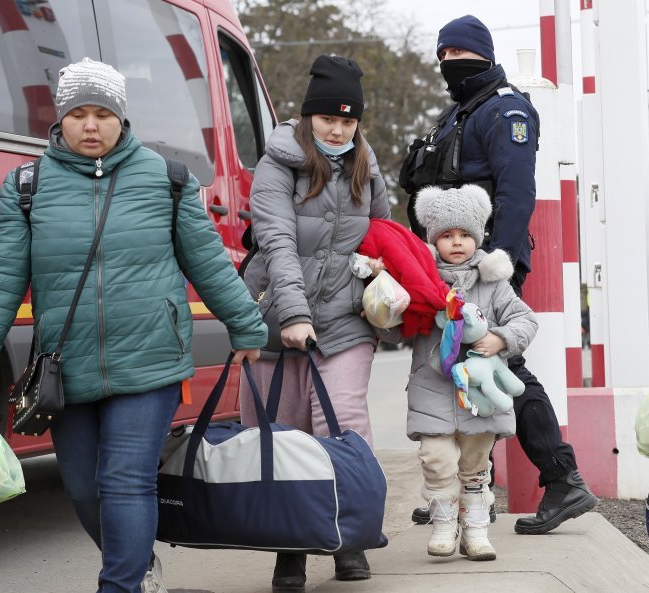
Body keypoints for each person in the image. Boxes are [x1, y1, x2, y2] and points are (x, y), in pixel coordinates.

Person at [0, 58, 268, 593]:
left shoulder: (167, 180)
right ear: (59, 119)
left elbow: (208, 263)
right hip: (65, 367)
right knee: (82, 488)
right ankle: (136, 565)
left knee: (124, 479)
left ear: (122, 118)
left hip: (149, 358)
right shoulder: (26, 187)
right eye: (78, 114)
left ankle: (119, 584)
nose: (90, 126)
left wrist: (247, 326)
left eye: (102, 114)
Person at [400, 14, 597, 535]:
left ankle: (561, 477)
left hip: (487, 266)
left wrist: (500, 264)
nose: (449, 65)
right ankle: (474, 492)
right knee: (461, 370)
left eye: (458, 56)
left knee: (503, 364)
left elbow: (516, 193)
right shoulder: (460, 112)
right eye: (442, 57)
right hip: (454, 268)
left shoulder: (504, 109)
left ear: (483, 55)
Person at [241, 54, 390, 592]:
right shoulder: (277, 162)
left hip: (347, 319)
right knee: (283, 435)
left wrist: (381, 274)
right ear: (308, 118)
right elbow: (277, 241)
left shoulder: (365, 166)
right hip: (278, 315)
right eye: (329, 119)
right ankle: (291, 549)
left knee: (344, 423)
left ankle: (350, 535)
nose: (338, 130)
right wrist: (294, 314)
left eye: (349, 122)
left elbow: (383, 233)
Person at [408, 184, 538, 561]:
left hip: (479, 394)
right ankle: (445, 524)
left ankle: (477, 530)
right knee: (436, 458)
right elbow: (393, 327)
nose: (457, 242)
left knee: (475, 464)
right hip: (431, 384)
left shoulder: (493, 281)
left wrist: (500, 338)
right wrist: (390, 303)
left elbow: (524, 319)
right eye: (447, 235)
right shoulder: (421, 278)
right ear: (433, 239)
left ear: (478, 235)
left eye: (465, 234)